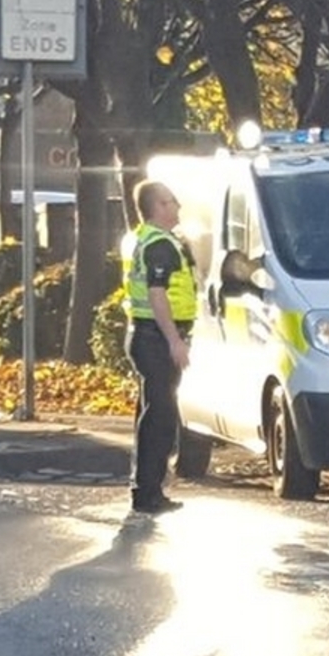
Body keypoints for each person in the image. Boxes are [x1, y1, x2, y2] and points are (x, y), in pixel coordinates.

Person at [122, 180, 199, 514]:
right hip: (155, 337)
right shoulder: (160, 246)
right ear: (158, 208)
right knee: (161, 417)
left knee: (152, 411)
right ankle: (149, 492)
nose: (178, 206)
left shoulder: (145, 238)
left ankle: (147, 487)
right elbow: (157, 295)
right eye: (172, 201)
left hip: (145, 334)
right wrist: (174, 341)